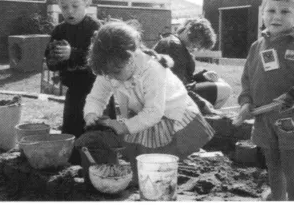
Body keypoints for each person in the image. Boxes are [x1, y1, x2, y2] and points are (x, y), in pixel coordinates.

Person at [79, 21, 215, 185]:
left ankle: (154, 178)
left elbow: (154, 113)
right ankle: (137, 176)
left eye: (116, 72)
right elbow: (97, 97)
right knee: (136, 145)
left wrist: (124, 126)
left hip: (168, 111)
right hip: (141, 109)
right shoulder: (110, 68)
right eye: (108, 74)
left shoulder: (152, 70)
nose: (112, 77)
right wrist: (91, 114)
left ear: (131, 56)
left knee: (155, 151)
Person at [233, 0, 294, 201]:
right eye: (271, 10)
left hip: (291, 120)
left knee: (291, 166)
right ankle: (278, 197)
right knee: (272, 164)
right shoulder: (257, 46)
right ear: (262, 13)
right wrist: (245, 103)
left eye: (285, 11)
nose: (277, 16)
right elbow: (247, 81)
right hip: (263, 118)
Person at [44, 0, 115, 164]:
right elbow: (50, 62)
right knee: (71, 127)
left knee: (96, 130)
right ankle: (74, 163)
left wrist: (73, 54)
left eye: (75, 6)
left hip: (97, 90)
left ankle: (101, 162)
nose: (70, 12)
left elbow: (100, 60)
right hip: (74, 90)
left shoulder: (95, 28)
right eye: (64, 7)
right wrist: (54, 58)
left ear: (86, 2)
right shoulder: (59, 30)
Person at [153, 18, 232, 110]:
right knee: (225, 89)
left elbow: (181, 76)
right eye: (195, 43)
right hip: (169, 97)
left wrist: (201, 76)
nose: (196, 48)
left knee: (219, 81)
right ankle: (203, 116)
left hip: (168, 94)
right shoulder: (174, 47)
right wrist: (201, 103)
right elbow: (176, 85)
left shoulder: (175, 44)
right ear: (188, 32)